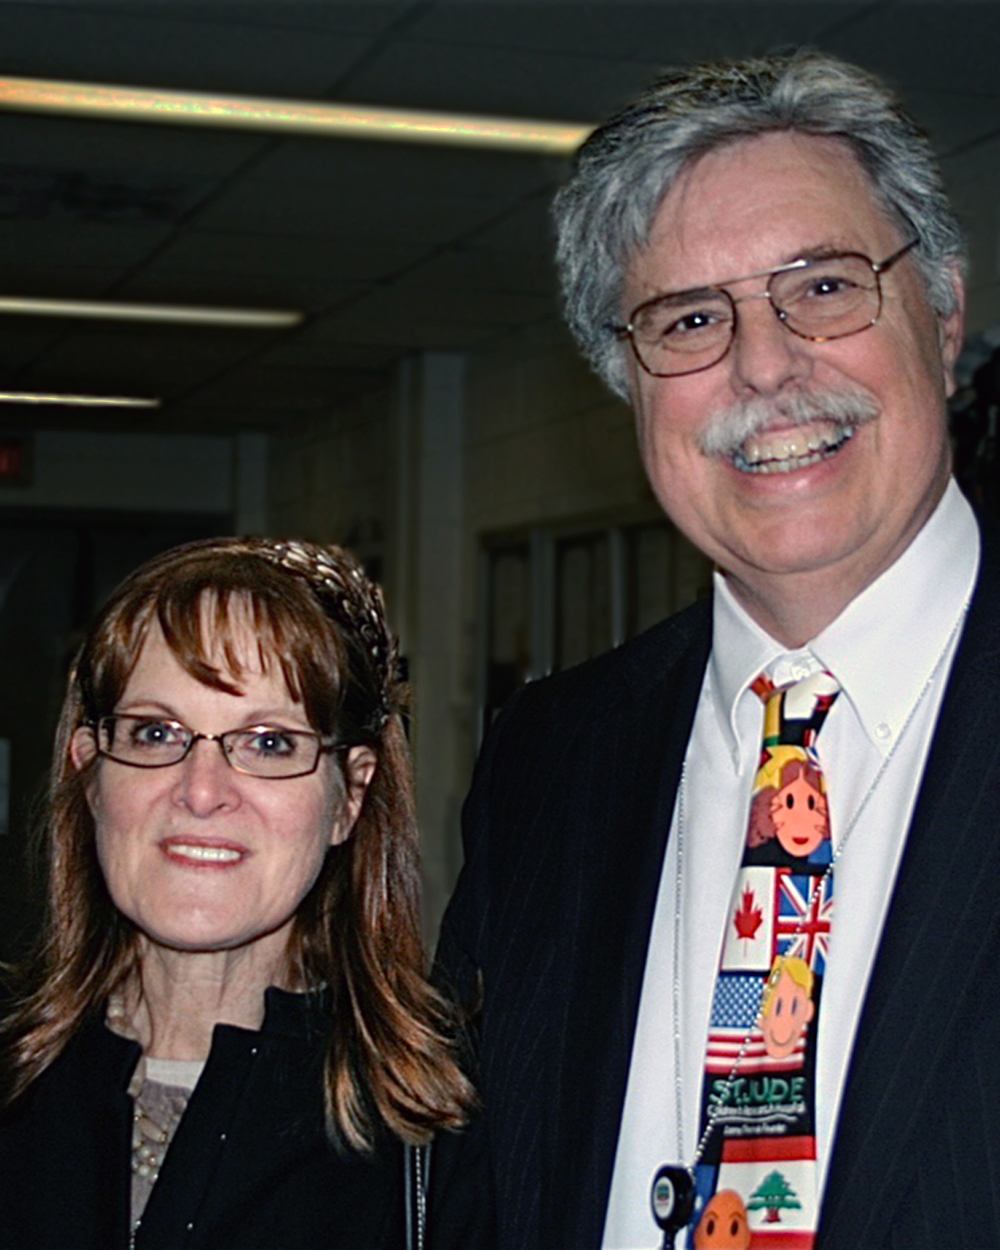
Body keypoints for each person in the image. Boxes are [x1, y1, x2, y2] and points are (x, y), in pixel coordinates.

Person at [437, 49, 1000, 1249]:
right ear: (627, 382)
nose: (763, 365)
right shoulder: (547, 761)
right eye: (690, 318)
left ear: (943, 312)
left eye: (824, 287)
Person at [0, 536, 476, 1249]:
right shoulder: (17, 1080)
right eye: (157, 733)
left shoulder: (439, 1130)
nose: (200, 791)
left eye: (268, 743)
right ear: (90, 772)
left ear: (349, 796)